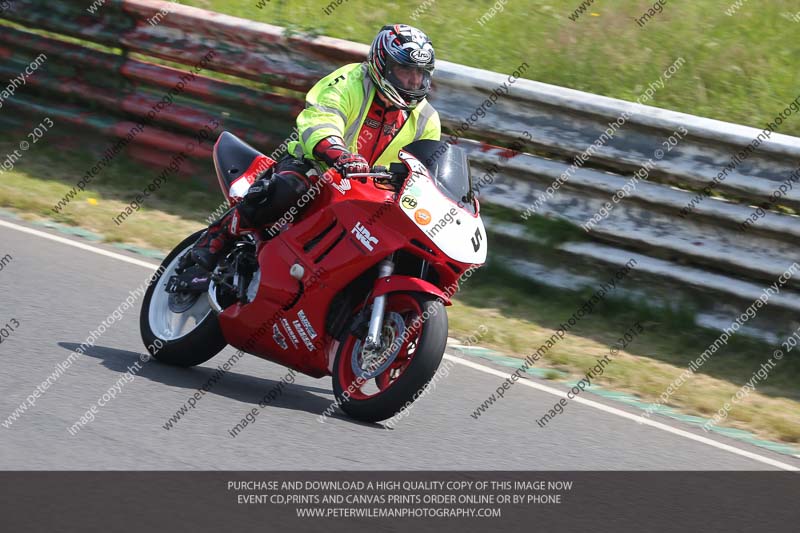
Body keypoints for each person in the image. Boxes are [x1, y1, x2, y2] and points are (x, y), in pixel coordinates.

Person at [189, 23, 441, 271]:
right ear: (381, 64)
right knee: (293, 187)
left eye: (420, 73)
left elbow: (428, 169)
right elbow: (322, 119)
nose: (413, 81)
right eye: (405, 70)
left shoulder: (427, 119)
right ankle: (219, 235)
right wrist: (338, 154)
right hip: (319, 167)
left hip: (374, 196)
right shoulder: (350, 81)